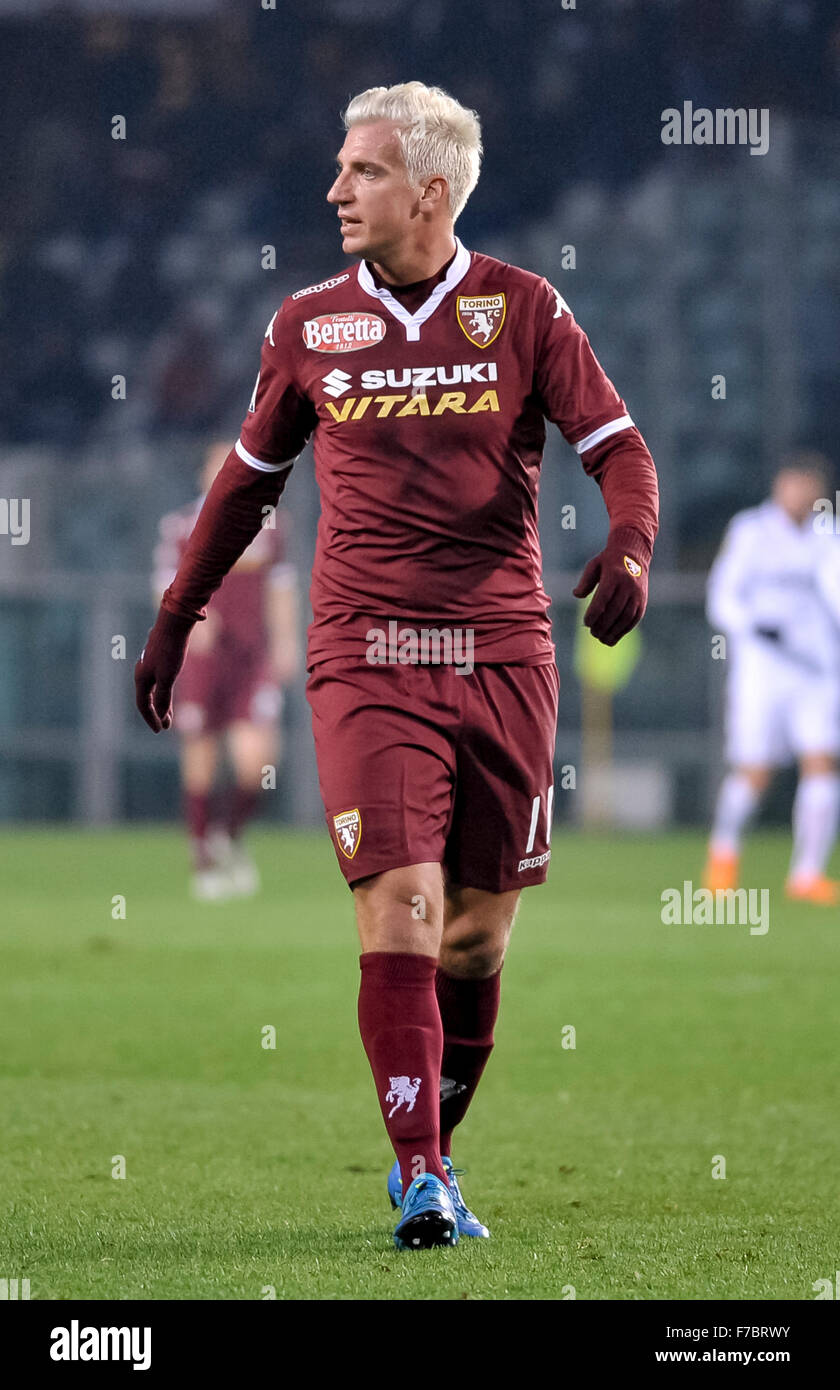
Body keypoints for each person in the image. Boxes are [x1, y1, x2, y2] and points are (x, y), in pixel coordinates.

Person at [136, 82, 659, 1250]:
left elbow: (622, 452)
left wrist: (630, 545)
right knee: (404, 905)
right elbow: (245, 484)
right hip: (366, 648)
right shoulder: (306, 325)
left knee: (476, 934)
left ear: (429, 189)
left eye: (361, 171)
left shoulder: (523, 310)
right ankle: (421, 1174)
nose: (334, 190)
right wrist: (178, 616)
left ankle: (438, 1152)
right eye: (338, 169)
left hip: (504, 649)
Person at [152, 439, 300, 899]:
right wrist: (191, 623)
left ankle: (229, 836)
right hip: (203, 658)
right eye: (217, 466)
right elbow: (164, 585)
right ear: (203, 475)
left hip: (252, 654)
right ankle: (203, 858)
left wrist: (287, 640)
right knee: (201, 751)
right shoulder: (180, 527)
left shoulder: (270, 524)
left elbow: (281, 585)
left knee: (257, 760)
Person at [704, 455, 840, 904]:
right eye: (794, 484)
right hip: (761, 672)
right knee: (754, 772)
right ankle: (722, 858)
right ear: (780, 485)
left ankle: (806, 874)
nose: (802, 495)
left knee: (822, 762)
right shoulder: (751, 531)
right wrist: (752, 626)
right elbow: (721, 596)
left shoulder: (827, 535)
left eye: (810, 486)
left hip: (816, 672)